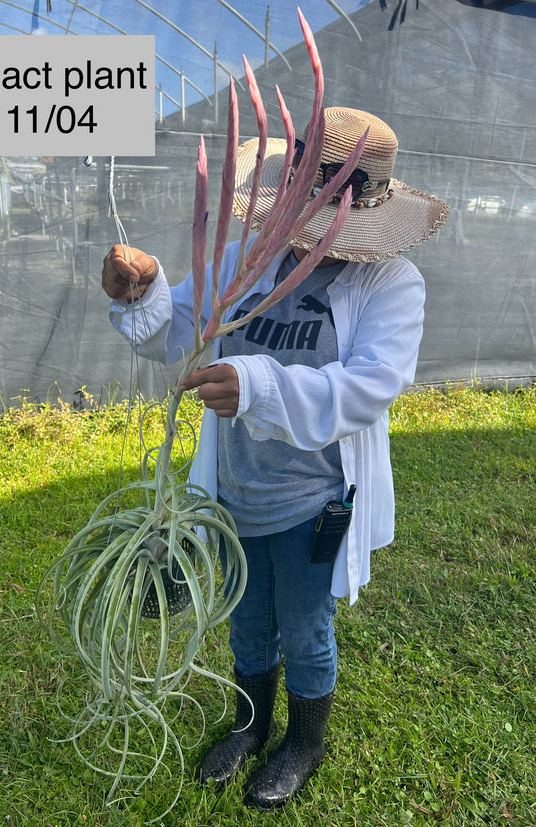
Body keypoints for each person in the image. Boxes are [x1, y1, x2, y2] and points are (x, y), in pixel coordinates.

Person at [101, 106, 449, 810]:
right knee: (246, 616)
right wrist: (142, 288)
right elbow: (184, 325)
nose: (312, 241)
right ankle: (252, 726)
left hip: (314, 499)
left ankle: (305, 741)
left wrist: (260, 383)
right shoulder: (248, 261)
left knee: (304, 623)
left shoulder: (389, 284)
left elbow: (371, 387)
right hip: (237, 487)